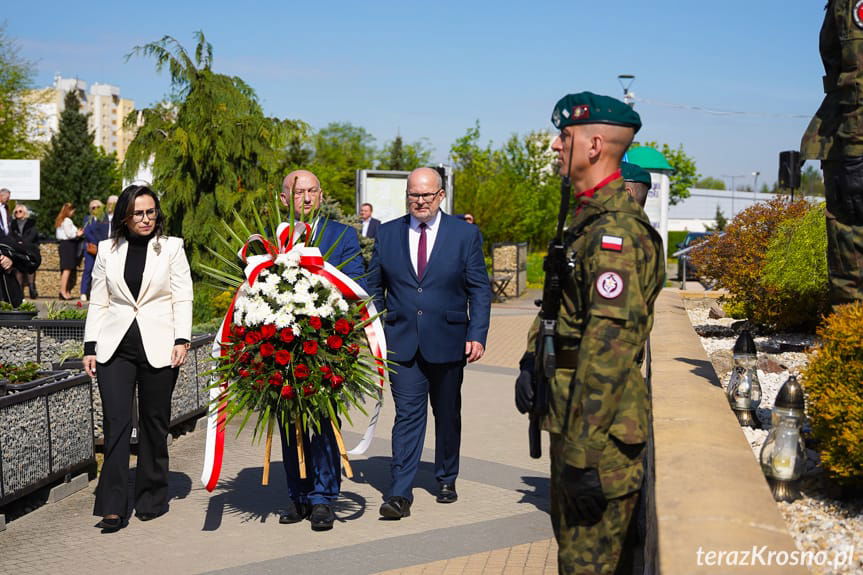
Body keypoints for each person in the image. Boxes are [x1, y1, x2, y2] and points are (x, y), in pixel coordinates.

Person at [515, 92, 664, 575]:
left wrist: (581, 455)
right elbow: (564, 307)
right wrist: (531, 358)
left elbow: (608, 350)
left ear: (594, 144)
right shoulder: (587, 221)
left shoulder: (613, 233)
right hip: (580, 426)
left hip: (598, 440)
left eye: (565, 137)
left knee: (586, 567)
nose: (557, 147)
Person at [367, 167, 491, 520]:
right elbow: (374, 285)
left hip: (450, 341)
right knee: (407, 415)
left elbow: (479, 289)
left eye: (426, 195)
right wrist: (379, 324)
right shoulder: (389, 234)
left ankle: (446, 476)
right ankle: (399, 493)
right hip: (401, 342)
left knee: (447, 414)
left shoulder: (464, 235)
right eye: (413, 195)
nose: (419, 201)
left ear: (440, 196)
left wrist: (477, 334)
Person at [82, 184, 193, 533]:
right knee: (116, 424)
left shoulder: (172, 248)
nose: (146, 219)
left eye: (151, 212)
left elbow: (182, 296)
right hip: (114, 348)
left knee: (153, 423)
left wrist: (182, 339)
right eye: (138, 213)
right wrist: (89, 346)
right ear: (125, 217)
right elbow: (99, 301)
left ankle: (151, 498)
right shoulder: (107, 249)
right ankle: (113, 507)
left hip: (160, 345)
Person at [276, 169, 365, 531]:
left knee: (324, 421)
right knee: (286, 421)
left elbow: (356, 284)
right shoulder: (273, 238)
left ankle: (324, 497)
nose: (307, 198)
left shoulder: (341, 235)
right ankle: (298, 495)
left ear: (322, 194)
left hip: (327, 343)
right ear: (284, 199)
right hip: (280, 345)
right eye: (298, 193)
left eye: (313, 191)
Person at [801, 0, 863, 307]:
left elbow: (858, 75)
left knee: (850, 236)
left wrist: (854, 147)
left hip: (853, 140)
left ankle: (850, 343)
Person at [81, 200, 110, 301]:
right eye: (93, 207)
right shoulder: (87, 219)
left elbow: (106, 233)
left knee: (103, 271)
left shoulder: (105, 219)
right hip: (91, 248)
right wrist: (95, 243)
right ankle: (84, 292)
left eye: (98, 207)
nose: (96, 209)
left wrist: (101, 245)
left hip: (102, 248)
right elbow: (87, 232)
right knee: (88, 270)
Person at [10, 203, 40, 299]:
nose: (18, 213)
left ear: (25, 212)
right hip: (17, 249)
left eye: (20, 211)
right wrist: (17, 243)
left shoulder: (31, 223)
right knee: (18, 269)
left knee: (30, 268)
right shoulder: (12, 224)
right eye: (16, 212)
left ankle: (32, 288)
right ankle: (19, 291)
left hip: (29, 249)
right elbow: (11, 236)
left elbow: (33, 235)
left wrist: (23, 243)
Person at [54, 203, 83, 300]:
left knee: (65, 269)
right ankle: (63, 291)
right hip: (68, 245)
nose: (73, 213)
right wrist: (78, 233)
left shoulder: (61, 220)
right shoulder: (67, 220)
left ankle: (64, 291)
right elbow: (70, 234)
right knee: (67, 269)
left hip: (64, 245)